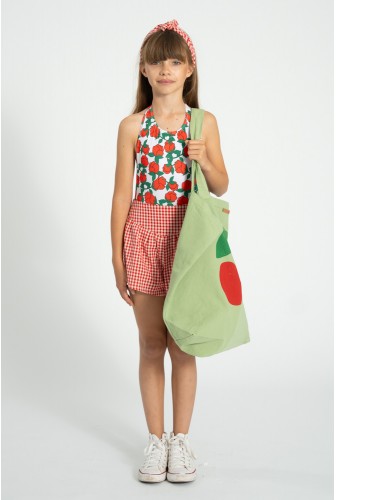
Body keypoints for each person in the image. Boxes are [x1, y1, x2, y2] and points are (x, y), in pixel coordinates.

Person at [110, 19, 229, 483]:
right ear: (143, 69)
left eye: (174, 61)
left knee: (182, 344)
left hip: (187, 241)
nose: (165, 69)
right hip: (143, 238)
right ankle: (155, 440)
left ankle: (181, 441)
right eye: (157, 61)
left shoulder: (203, 122)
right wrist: (117, 258)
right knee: (150, 343)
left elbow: (220, 185)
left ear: (189, 69)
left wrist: (203, 158)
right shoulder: (131, 127)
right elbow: (122, 195)